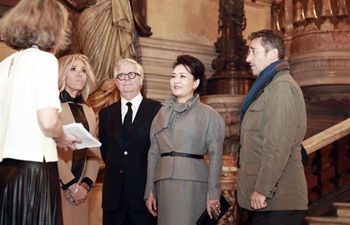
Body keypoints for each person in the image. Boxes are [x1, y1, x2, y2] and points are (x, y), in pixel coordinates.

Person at [0, 0, 81, 224]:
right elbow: (47, 121)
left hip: (6, 168)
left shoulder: (5, 64)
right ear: (53, 26)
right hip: (34, 170)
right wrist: (62, 136)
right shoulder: (45, 61)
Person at [236, 29, 308, 225]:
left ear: (273, 54)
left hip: (277, 200)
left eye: (253, 51)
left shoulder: (281, 87)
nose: (248, 58)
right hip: (268, 201)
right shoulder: (268, 86)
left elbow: (277, 145)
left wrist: (263, 189)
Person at [144, 54, 226, 224]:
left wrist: (214, 192)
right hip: (164, 185)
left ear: (195, 83)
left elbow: (216, 155)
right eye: (173, 76)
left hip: (194, 185)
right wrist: (150, 190)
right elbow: (153, 154)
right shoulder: (161, 113)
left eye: (183, 76)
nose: (176, 81)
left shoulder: (210, 115)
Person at [99, 58, 161, 225]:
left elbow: (161, 152)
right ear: (116, 83)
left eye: (131, 74)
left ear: (141, 79)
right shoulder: (105, 114)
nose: (126, 78)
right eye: (121, 76)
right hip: (114, 199)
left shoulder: (158, 110)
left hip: (145, 198)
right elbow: (106, 151)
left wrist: (153, 189)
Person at [57, 54, 102, 225]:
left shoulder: (89, 111)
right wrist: (70, 185)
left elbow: (94, 153)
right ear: (62, 74)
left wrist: (84, 185)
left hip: (81, 194)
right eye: (73, 69)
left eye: (83, 70)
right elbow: (49, 151)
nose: (80, 74)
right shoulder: (52, 107)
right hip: (58, 186)